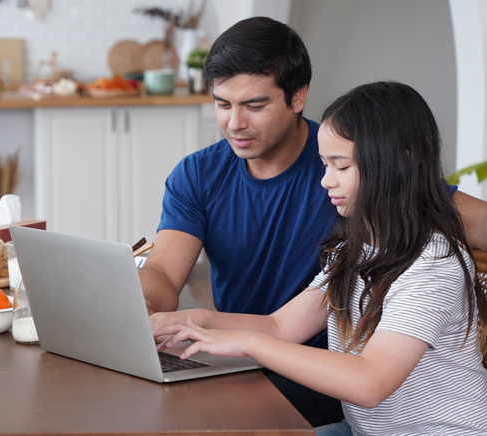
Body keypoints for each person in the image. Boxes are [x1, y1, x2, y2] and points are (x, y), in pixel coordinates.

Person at [139, 17, 487, 426]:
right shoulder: (351, 247)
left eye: (254, 105)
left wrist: (243, 342)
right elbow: (278, 325)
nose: (324, 181)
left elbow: (370, 381)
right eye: (223, 104)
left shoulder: (428, 262)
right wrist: (187, 322)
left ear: (298, 96)